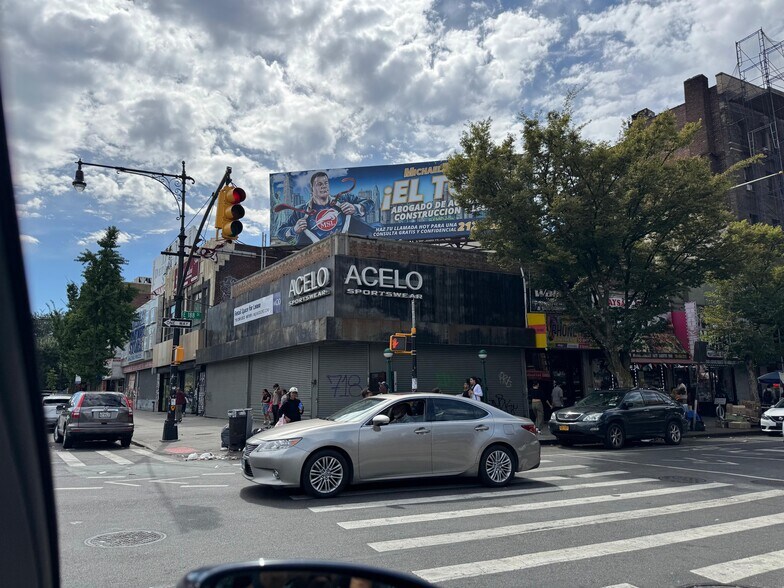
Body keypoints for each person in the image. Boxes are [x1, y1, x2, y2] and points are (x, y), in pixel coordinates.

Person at [276, 171, 375, 245]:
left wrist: (356, 208)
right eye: (319, 184)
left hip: (350, 246)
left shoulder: (344, 199)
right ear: (312, 189)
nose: (324, 186)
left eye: (326, 183)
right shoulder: (300, 211)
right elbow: (280, 233)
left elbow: (369, 203)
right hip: (317, 254)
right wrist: (294, 230)